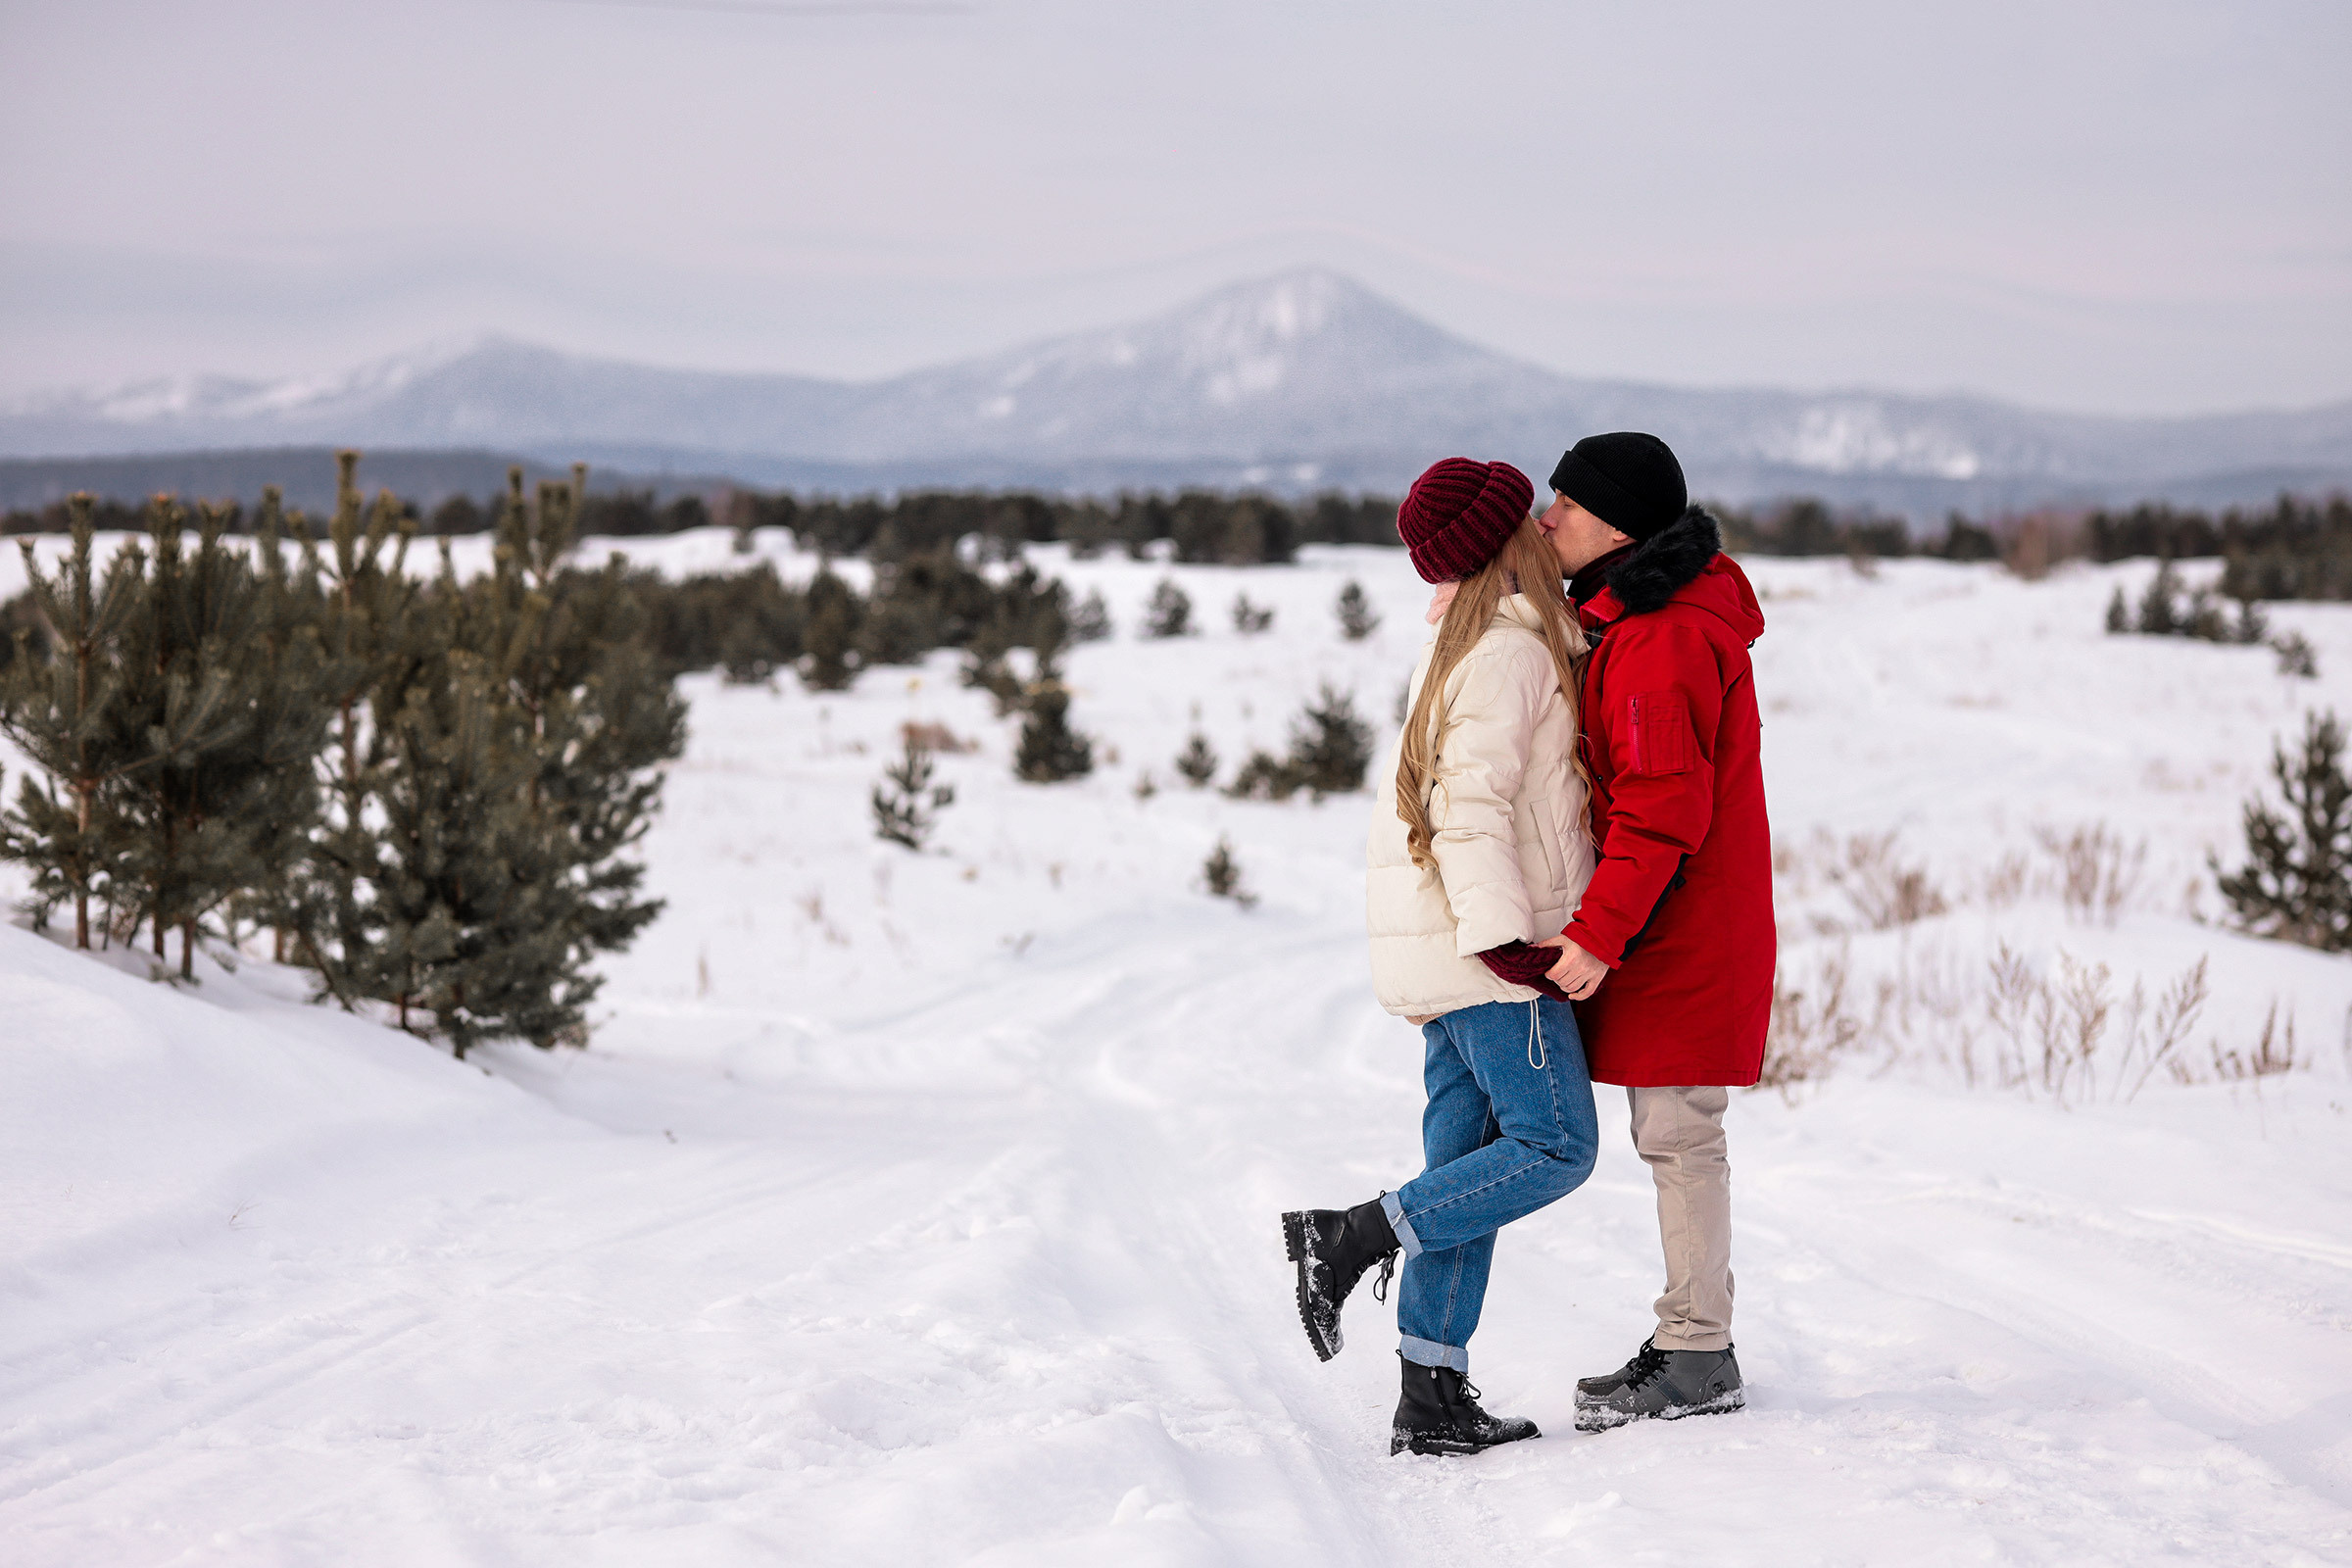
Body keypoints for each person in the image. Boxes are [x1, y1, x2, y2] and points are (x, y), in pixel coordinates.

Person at [1281, 457, 1600, 1458]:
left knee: (1464, 1169)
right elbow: (1467, 806)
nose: (1550, 527)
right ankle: (1352, 1234)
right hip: (1489, 948)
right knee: (1555, 1145)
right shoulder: (1507, 651)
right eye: (1532, 517)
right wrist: (1505, 939)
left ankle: (1432, 1394)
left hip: (1446, 948)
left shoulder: (1466, 641)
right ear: (1504, 541)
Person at [1530, 431, 1775, 1433]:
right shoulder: (1637, 612)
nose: (1548, 519)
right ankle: (1692, 1340)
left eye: (1566, 506)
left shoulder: (1663, 636)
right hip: (1675, 920)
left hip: (1677, 926)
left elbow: (1661, 812)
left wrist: (1595, 936)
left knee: (1680, 1134)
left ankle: (1697, 1351)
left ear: (1618, 525)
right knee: (1675, 1132)